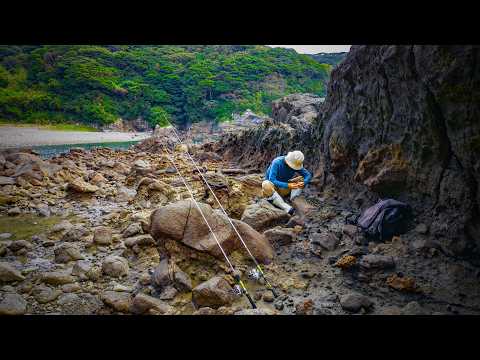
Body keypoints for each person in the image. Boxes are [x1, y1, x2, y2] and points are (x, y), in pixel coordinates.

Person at [262, 150, 312, 215]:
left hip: (284, 189)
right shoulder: (277, 162)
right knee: (266, 184)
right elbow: (272, 180)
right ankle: (286, 207)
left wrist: (304, 182)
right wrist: (288, 185)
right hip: (272, 189)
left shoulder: (296, 163)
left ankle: (294, 199)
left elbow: (308, 175)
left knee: (301, 179)